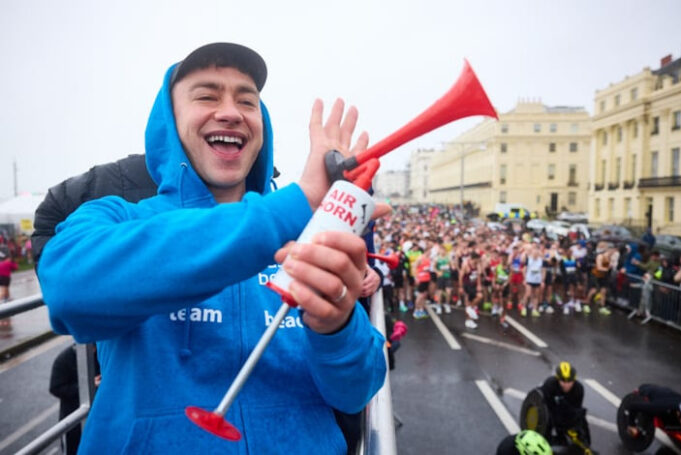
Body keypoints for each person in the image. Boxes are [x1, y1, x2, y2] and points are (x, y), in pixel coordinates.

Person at [36, 43, 387, 454]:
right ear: (170, 121)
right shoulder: (116, 217)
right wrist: (292, 206)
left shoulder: (309, 235)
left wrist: (337, 327)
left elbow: (355, 391)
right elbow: (68, 292)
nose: (231, 112)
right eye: (206, 96)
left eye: (247, 101)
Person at [49, 344, 101, 455]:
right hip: (73, 420)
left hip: (98, 416)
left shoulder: (101, 354)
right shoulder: (64, 359)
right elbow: (55, 388)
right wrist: (88, 385)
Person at [540, 362, 592, 451]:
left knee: (581, 417)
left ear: (574, 380)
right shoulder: (550, 385)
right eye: (563, 381)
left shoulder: (579, 389)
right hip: (551, 410)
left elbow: (575, 410)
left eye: (569, 381)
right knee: (548, 421)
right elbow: (544, 406)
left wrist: (574, 428)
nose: (566, 385)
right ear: (558, 379)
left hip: (567, 408)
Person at [0, 250, 18, 331]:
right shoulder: (8, 263)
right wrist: (14, 264)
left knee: (6, 289)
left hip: (1, 277)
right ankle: (4, 298)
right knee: (4, 291)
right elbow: (16, 268)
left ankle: (8, 298)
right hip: (5, 278)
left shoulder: (2, 263)